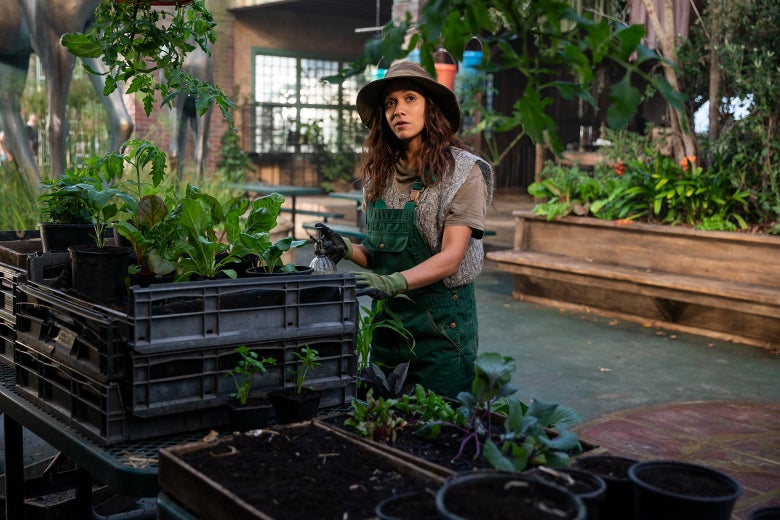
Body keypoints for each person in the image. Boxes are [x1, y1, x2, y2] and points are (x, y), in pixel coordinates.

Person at [316, 61, 494, 398]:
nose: (399, 110)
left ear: (431, 108)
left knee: (441, 422)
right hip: (389, 326)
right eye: (390, 103)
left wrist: (393, 282)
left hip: (441, 327)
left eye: (410, 98)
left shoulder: (463, 173)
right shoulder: (378, 175)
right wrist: (346, 248)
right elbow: (379, 252)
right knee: (385, 417)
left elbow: (451, 257)